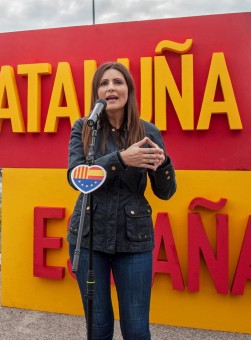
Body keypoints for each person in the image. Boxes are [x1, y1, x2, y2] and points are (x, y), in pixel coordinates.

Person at [67, 62, 177, 340]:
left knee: (137, 329)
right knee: (99, 328)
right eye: (104, 83)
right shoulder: (84, 128)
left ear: (129, 90)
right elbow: (76, 178)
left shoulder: (148, 131)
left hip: (134, 240)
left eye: (118, 82)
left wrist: (164, 164)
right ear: (97, 93)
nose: (111, 88)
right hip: (90, 237)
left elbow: (165, 192)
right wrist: (119, 160)